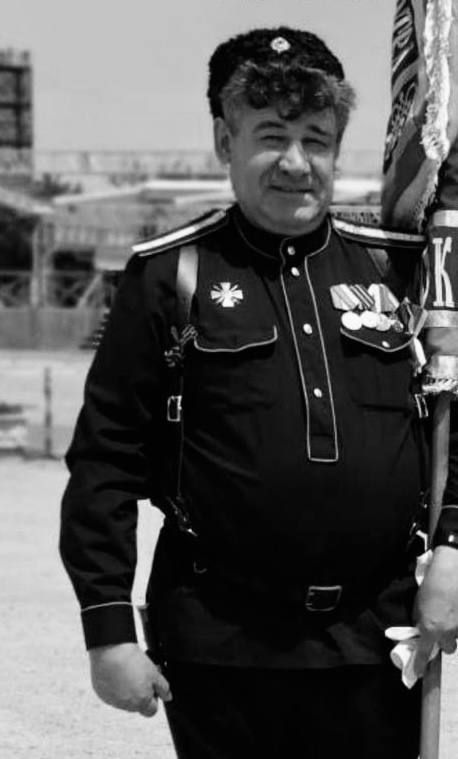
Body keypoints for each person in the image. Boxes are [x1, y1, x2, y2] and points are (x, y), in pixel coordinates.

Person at [60, 26, 458, 759]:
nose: (296, 162)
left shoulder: (400, 273)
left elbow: (452, 425)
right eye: (272, 136)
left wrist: (455, 551)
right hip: (221, 647)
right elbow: (104, 464)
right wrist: (108, 631)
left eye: (316, 139)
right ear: (225, 141)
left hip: (379, 641)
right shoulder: (169, 276)